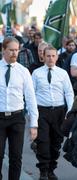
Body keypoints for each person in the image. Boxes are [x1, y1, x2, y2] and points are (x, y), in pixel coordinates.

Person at [32, 45, 74, 180]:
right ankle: (43, 170)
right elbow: (31, 93)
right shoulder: (36, 73)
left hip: (59, 112)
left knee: (56, 143)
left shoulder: (62, 73)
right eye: (48, 56)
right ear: (43, 56)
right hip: (42, 111)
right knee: (43, 142)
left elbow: (68, 92)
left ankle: (51, 169)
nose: (50, 58)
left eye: (53, 56)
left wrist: (70, 110)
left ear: (57, 57)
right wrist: (32, 112)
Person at [0, 37, 38, 180]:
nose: (14, 53)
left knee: (16, 157)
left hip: (17, 118)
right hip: (0, 117)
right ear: (3, 50)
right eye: (11, 50)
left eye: (16, 50)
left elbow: (30, 98)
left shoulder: (23, 71)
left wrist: (34, 124)